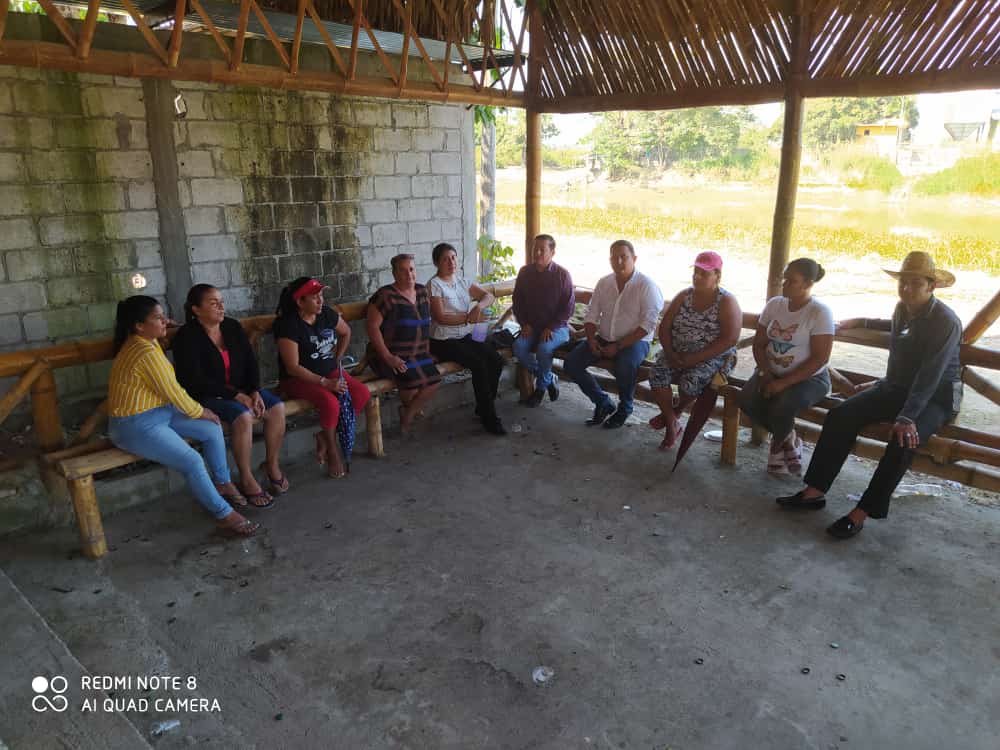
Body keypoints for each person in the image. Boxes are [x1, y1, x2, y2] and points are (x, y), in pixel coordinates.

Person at [778, 252, 962, 540]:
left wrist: (907, 417)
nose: (907, 289)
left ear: (932, 286)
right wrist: (860, 321)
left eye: (915, 283)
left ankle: (861, 513)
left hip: (935, 397)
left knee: (903, 440)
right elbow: (895, 326)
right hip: (897, 389)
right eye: (903, 282)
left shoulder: (945, 322)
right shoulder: (903, 308)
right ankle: (814, 491)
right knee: (840, 415)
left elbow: (931, 374)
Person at [107, 296, 259, 538]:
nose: (165, 321)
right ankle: (224, 514)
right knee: (192, 461)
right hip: (134, 425)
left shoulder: (146, 339)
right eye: (158, 318)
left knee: (211, 429)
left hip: (161, 412)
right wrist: (201, 411)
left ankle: (222, 482)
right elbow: (174, 392)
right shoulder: (144, 352)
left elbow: (171, 394)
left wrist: (167, 325)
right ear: (139, 325)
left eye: (164, 316)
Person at [173, 284, 287, 506]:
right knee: (242, 416)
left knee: (276, 408)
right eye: (213, 303)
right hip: (207, 395)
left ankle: (272, 464)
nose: (221, 307)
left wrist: (254, 390)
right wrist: (235, 395)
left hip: (240, 390)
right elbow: (194, 380)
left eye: (221, 302)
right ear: (196, 309)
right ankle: (246, 477)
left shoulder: (231, 326)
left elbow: (250, 362)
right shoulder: (187, 336)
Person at [738, 258, 834, 475]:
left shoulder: (819, 312)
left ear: (808, 284)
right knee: (746, 400)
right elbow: (759, 344)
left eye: (792, 280)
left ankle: (778, 446)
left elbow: (820, 358)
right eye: (785, 278)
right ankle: (789, 438)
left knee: (782, 405)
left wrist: (783, 383)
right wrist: (765, 372)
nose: (784, 284)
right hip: (771, 372)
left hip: (809, 379)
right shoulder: (775, 305)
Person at [273, 277, 370, 478]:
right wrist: (325, 383)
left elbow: (346, 332)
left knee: (361, 393)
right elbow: (292, 367)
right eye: (314, 297)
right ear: (300, 302)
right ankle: (332, 451)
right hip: (298, 379)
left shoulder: (325, 313)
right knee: (331, 403)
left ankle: (325, 437)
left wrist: (338, 358)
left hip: (328, 371)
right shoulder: (288, 325)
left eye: (321, 295)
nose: (320, 301)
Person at [564, 240, 664, 428]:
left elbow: (648, 325)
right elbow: (592, 314)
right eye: (614, 257)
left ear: (634, 259)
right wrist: (591, 340)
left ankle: (625, 408)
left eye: (623, 257)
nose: (618, 261)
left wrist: (618, 346)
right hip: (603, 337)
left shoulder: (647, 286)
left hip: (636, 341)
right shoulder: (604, 282)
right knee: (571, 363)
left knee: (625, 365)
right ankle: (603, 402)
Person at [649, 251, 741, 450]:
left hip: (712, 356)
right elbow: (665, 327)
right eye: (696, 272)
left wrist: (696, 357)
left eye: (704, 273)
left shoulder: (726, 301)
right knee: (657, 375)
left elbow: (730, 339)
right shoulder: (684, 296)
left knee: (690, 382)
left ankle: (676, 411)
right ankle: (672, 422)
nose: (697, 277)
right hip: (677, 351)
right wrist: (670, 353)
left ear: (717, 275)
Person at [427, 243, 506, 435]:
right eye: (445, 259)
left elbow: (488, 296)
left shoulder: (462, 281)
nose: (451, 262)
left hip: (464, 335)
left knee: (496, 360)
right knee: (478, 364)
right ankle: (489, 418)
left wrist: (478, 307)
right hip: (443, 340)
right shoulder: (434, 285)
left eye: (453, 257)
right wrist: (469, 318)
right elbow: (440, 317)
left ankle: (483, 407)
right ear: (437, 263)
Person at [367, 254, 442, 433]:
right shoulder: (385, 296)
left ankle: (407, 413)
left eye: (411, 269)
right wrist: (388, 357)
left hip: (419, 353)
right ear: (394, 273)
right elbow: (372, 328)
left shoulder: (422, 291)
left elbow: (426, 323)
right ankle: (410, 413)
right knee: (410, 384)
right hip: (391, 354)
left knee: (434, 381)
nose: (409, 274)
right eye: (403, 270)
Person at [511, 234, 575, 407]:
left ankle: (540, 389)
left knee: (544, 349)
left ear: (552, 252)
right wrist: (524, 323)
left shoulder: (562, 275)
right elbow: (517, 302)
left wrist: (551, 327)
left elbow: (568, 308)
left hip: (557, 328)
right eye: (535, 249)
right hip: (531, 327)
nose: (537, 253)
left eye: (542, 249)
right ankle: (548, 378)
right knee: (518, 347)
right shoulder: (525, 272)